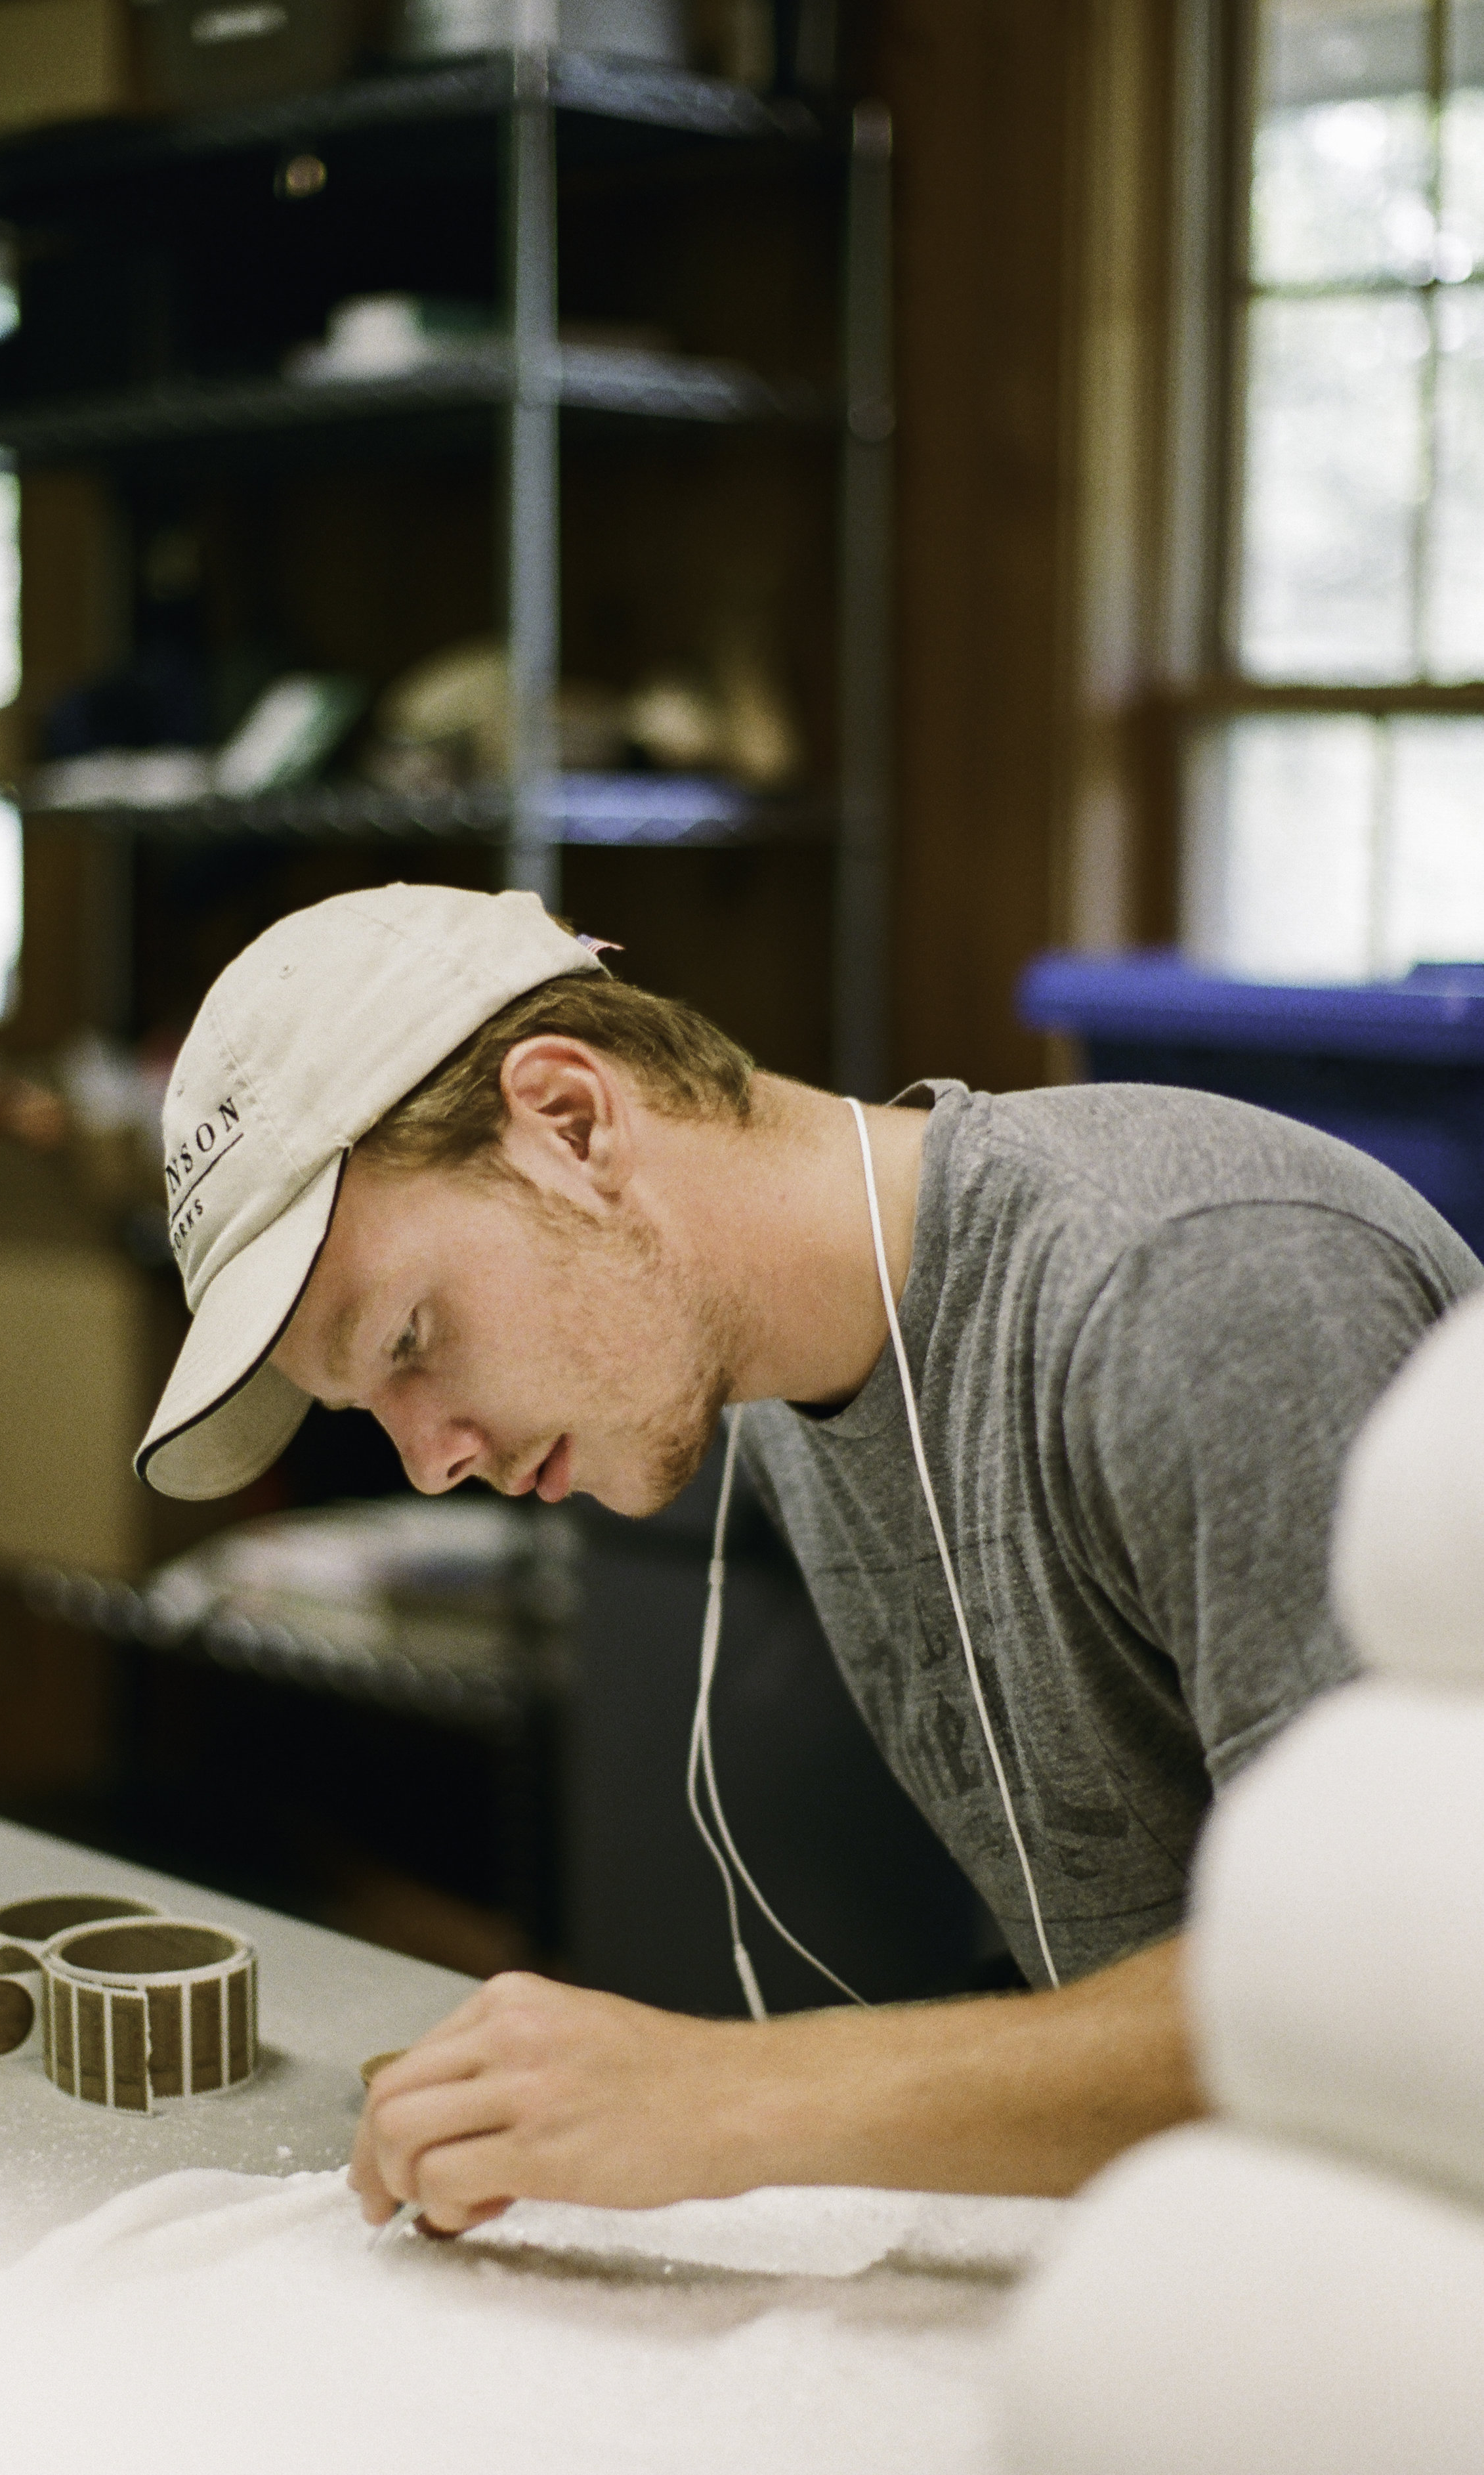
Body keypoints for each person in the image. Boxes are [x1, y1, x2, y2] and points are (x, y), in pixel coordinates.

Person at [138, 882, 1481, 2231]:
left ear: (570, 1122)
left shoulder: (1195, 1288)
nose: (430, 1459)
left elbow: (1398, 1986)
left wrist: (722, 2100)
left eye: (412, 1341)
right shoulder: (785, 1406)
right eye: (370, 1411)